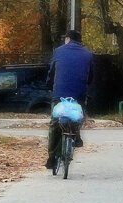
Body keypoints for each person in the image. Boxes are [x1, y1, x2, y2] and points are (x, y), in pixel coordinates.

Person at [46, 30, 94, 170]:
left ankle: (51, 158)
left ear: (67, 39)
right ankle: (76, 134)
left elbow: (51, 71)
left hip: (60, 93)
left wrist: (49, 85)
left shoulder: (59, 51)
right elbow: (91, 76)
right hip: (79, 93)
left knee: (55, 123)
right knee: (79, 115)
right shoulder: (88, 54)